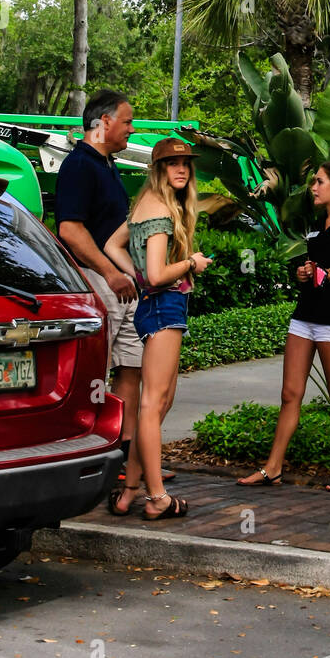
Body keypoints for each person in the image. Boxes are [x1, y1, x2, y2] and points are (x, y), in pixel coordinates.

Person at [238, 160, 330, 493]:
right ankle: (272, 468)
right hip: (304, 316)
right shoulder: (317, 224)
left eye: (319, 181)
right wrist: (304, 273)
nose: (313, 187)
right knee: (290, 394)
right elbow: (315, 268)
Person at [103, 139, 211, 520]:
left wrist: (134, 277)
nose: (181, 169)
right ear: (158, 169)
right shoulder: (161, 211)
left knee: (158, 404)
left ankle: (129, 490)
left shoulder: (143, 204)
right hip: (164, 307)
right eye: (172, 164)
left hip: (155, 306)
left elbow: (112, 245)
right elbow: (157, 273)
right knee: (152, 406)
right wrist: (191, 264)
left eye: (185, 164)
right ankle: (158, 497)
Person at [56, 91, 143, 459]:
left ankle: (128, 458)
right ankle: (91, 455)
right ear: (103, 122)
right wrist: (110, 274)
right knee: (96, 375)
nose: (131, 129)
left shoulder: (109, 165)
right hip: (98, 284)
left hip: (124, 286)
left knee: (131, 368)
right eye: (126, 121)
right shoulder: (78, 165)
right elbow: (70, 230)